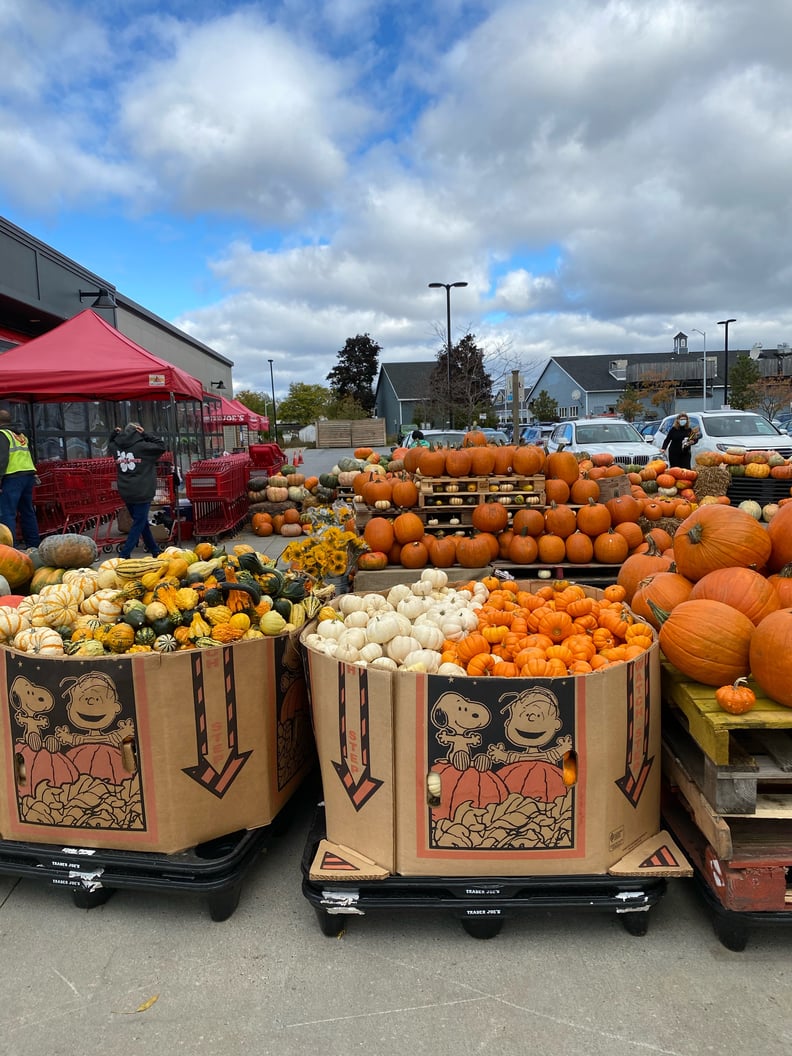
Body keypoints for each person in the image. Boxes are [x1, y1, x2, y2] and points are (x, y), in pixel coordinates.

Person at [109, 421, 167, 558]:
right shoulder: (143, 447)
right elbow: (162, 446)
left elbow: (110, 442)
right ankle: (124, 554)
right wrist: (146, 434)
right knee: (138, 523)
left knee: (141, 522)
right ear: (138, 431)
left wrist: (113, 434)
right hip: (142, 490)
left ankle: (155, 550)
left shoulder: (115, 447)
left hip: (126, 490)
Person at [0, 408, 41, 549]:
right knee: (27, 512)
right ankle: (34, 545)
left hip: (12, 477)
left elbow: (2, 459)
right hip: (27, 476)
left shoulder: (2, 435)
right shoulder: (20, 435)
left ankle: (10, 548)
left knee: (7, 514)